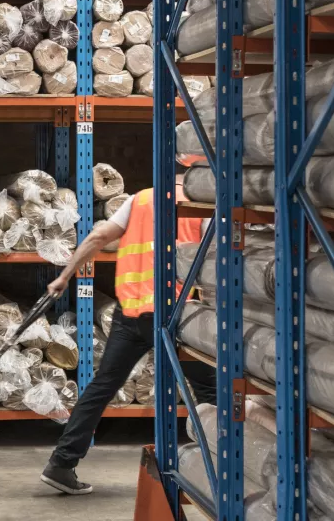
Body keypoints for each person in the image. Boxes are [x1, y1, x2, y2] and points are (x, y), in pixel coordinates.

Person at [39, 185, 217, 495]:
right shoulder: (201, 204)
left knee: (102, 385)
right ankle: (221, 466)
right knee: (210, 389)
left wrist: (64, 276)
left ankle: (61, 464)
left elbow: (97, 237)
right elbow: (216, 263)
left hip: (130, 313)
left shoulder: (140, 199)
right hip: (172, 317)